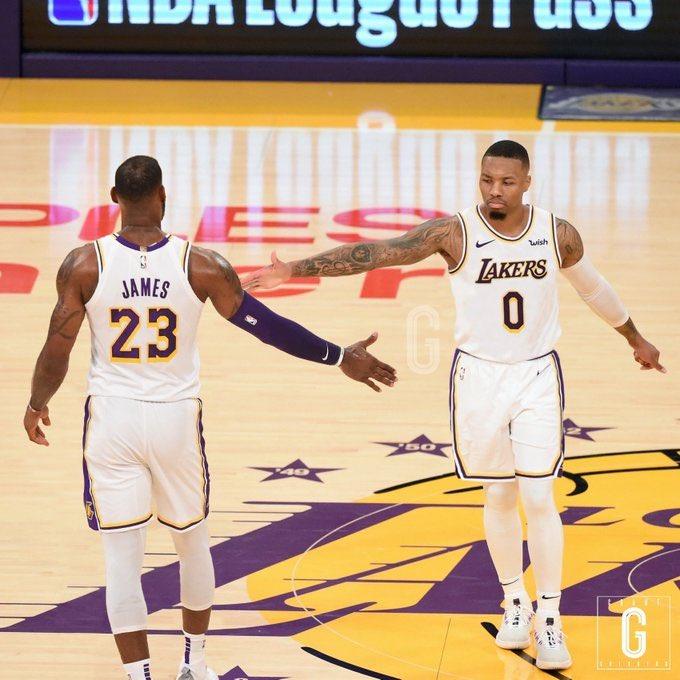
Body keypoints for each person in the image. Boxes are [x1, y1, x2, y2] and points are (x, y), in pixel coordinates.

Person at [241, 139, 665, 671]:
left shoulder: (557, 234)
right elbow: (377, 253)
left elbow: (593, 288)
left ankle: (551, 616)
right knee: (500, 494)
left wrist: (635, 338)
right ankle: (514, 601)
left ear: (527, 183)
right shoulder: (454, 233)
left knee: (540, 496)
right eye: (487, 180)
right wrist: (295, 269)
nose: (495, 190)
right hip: (478, 378)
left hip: (536, 374)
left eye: (506, 182)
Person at [23, 155, 397, 680]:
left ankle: (138, 675)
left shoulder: (84, 264)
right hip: (175, 420)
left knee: (121, 558)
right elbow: (268, 327)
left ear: (114, 199)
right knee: (192, 543)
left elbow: (56, 348)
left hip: (112, 419)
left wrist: (37, 403)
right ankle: (194, 663)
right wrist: (339, 357)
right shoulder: (201, 265)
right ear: (163, 196)